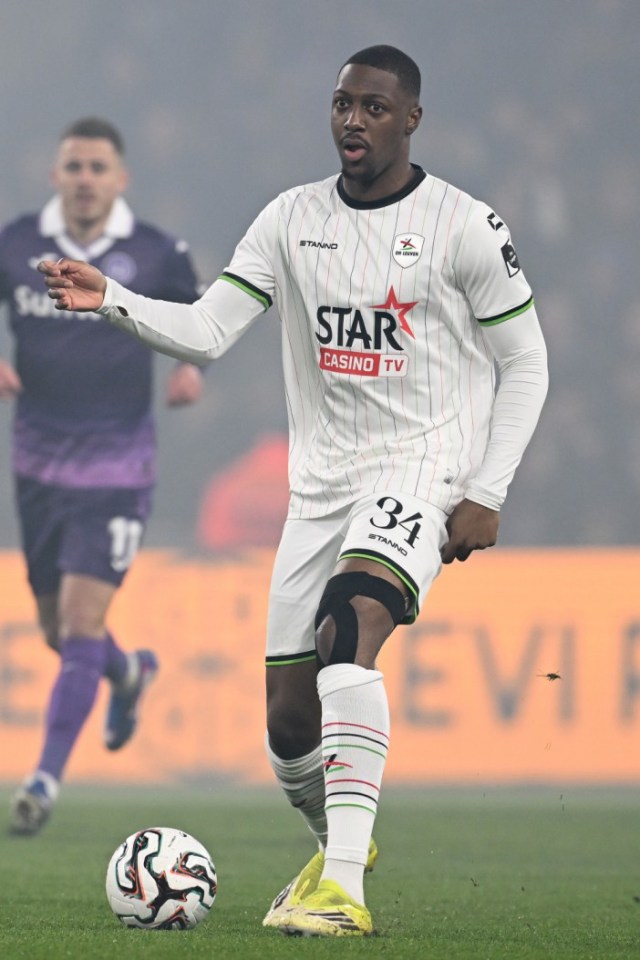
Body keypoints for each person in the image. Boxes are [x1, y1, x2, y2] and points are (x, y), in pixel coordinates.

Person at [39, 47, 548, 937]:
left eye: (375, 107)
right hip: (319, 489)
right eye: (343, 104)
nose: (354, 120)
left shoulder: (464, 226)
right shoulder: (290, 219)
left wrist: (486, 489)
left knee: (348, 627)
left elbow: (526, 360)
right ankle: (338, 841)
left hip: (420, 467)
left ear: (411, 119)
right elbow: (208, 330)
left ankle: (343, 890)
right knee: (286, 726)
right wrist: (112, 296)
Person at [0, 117, 205, 836]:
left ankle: (44, 780)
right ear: (55, 175)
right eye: (74, 166)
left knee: (83, 623)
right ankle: (128, 673)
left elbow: (202, 316)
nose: (85, 179)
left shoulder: (156, 252)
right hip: (36, 464)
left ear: (121, 179)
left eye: (97, 167)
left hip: (119, 467)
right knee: (59, 633)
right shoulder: (16, 242)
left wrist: (190, 367)